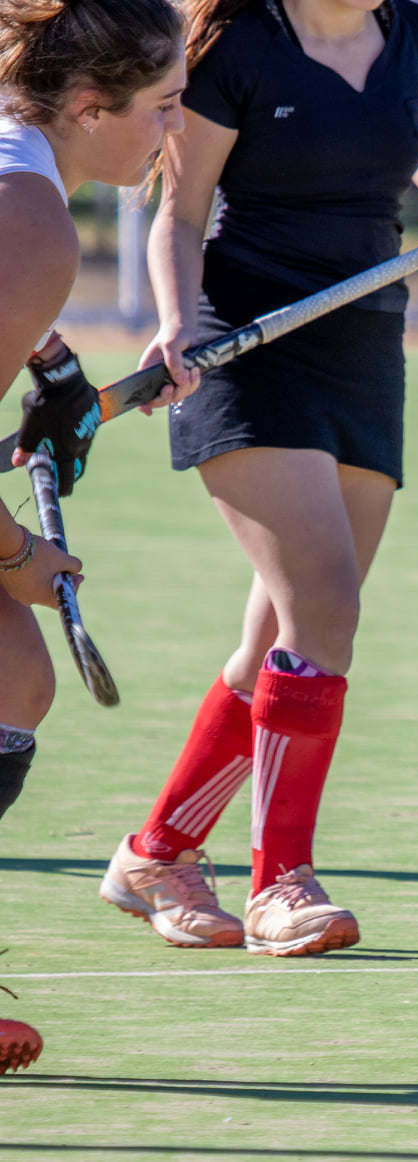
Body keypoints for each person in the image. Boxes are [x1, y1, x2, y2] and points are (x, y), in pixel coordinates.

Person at [99, 0, 418, 957]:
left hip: (363, 339)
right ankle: (281, 880)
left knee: (283, 637)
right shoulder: (239, 46)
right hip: (243, 345)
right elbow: (182, 211)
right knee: (322, 608)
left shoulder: (412, 32)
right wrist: (177, 322)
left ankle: (157, 853)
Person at [0, 0, 189, 1071]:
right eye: (161, 109)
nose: (172, 135)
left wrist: (53, 363)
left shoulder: (16, 154)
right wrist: (23, 558)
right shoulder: (35, 221)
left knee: (11, 682)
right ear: (87, 105)